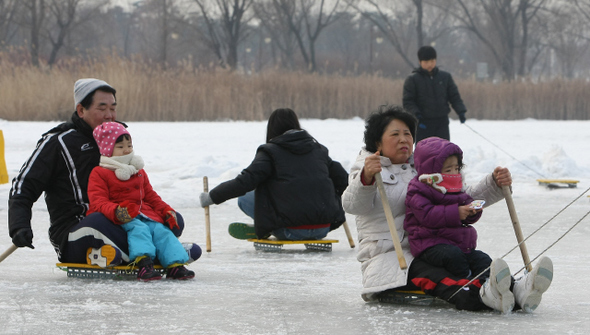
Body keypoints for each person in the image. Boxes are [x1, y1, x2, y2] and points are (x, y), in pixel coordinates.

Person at [342, 105, 553, 313]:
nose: (404, 139)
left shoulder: (424, 169)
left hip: (432, 246)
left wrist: (495, 184)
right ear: (377, 141)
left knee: (478, 261)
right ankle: (481, 296)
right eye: (395, 134)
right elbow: (352, 205)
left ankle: (518, 290)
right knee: (444, 277)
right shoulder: (366, 170)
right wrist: (366, 178)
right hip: (391, 258)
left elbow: (460, 199)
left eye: (407, 133)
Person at [8, 78, 201, 267]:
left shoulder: (119, 137)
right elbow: (24, 186)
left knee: (174, 220)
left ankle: (138, 252)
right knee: (99, 221)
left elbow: (140, 192)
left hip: (123, 221)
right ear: (81, 110)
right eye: (102, 108)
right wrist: (19, 224)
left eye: (113, 108)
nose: (109, 114)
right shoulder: (58, 142)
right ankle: (165, 253)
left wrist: (164, 213)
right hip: (79, 229)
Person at [199, 108, 348, 241]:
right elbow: (345, 182)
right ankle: (270, 224)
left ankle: (266, 226)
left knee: (245, 197)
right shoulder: (319, 150)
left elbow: (245, 181)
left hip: (288, 231)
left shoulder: (270, 152)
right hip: (323, 229)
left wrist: (212, 196)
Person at [87, 122, 194, 280]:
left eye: (129, 145)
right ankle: (144, 264)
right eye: (121, 146)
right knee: (139, 229)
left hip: (144, 214)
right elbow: (98, 201)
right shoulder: (100, 173)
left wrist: (165, 210)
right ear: (108, 150)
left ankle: (175, 265)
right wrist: (117, 212)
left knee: (161, 230)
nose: (127, 150)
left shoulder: (138, 171)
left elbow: (150, 196)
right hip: (119, 218)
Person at [404, 136, 490, 279]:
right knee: (454, 257)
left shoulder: (455, 187)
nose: (454, 174)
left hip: (457, 243)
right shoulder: (418, 190)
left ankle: (491, 283)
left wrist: (472, 212)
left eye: (456, 168)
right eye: (448, 169)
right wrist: (456, 213)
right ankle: (467, 283)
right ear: (432, 171)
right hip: (429, 243)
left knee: (482, 259)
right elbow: (427, 215)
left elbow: (466, 203)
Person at [402, 46, 467, 142]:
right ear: (420, 62)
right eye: (426, 62)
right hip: (423, 123)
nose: (430, 64)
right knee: (425, 152)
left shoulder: (445, 77)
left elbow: (454, 96)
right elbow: (408, 101)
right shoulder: (413, 80)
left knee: (443, 151)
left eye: (432, 61)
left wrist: (461, 111)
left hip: (442, 122)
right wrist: (416, 115)